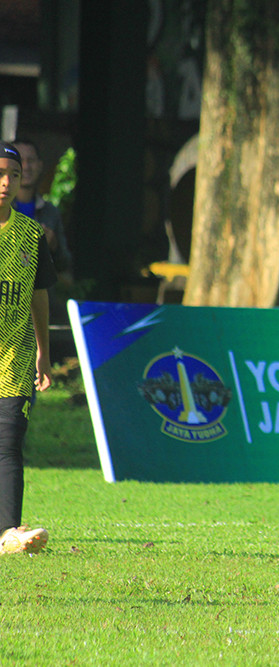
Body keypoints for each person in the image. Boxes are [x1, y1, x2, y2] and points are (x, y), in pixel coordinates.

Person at [0, 141, 56, 555]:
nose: (5, 183)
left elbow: (39, 294)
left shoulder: (31, 235)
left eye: (13, 175)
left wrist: (44, 350)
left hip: (14, 359)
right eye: (0, 174)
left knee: (8, 443)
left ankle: (8, 534)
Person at [11, 139, 72, 282]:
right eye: (20, 160)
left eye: (31, 160)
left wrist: (53, 246)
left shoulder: (50, 212)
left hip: (38, 298)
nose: (25, 166)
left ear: (40, 166)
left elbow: (64, 265)